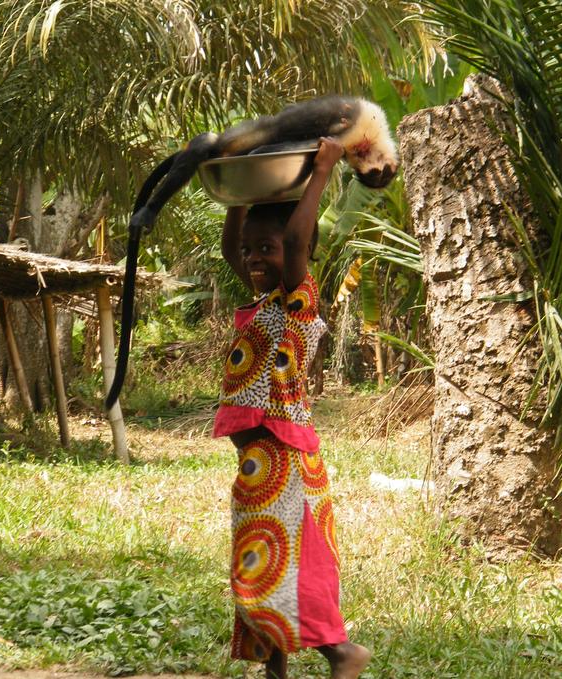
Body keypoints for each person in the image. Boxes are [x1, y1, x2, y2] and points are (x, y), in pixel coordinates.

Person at [213, 137, 371, 679]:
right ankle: (273, 671)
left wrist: (322, 170)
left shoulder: (298, 299)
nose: (257, 259)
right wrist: (237, 191)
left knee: (277, 567)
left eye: (269, 250)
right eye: (256, 250)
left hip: (283, 460)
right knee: (261, 556)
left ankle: (341, 654)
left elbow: (299, 240)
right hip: (260, 462)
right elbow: (232, 247)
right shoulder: (261, 300)